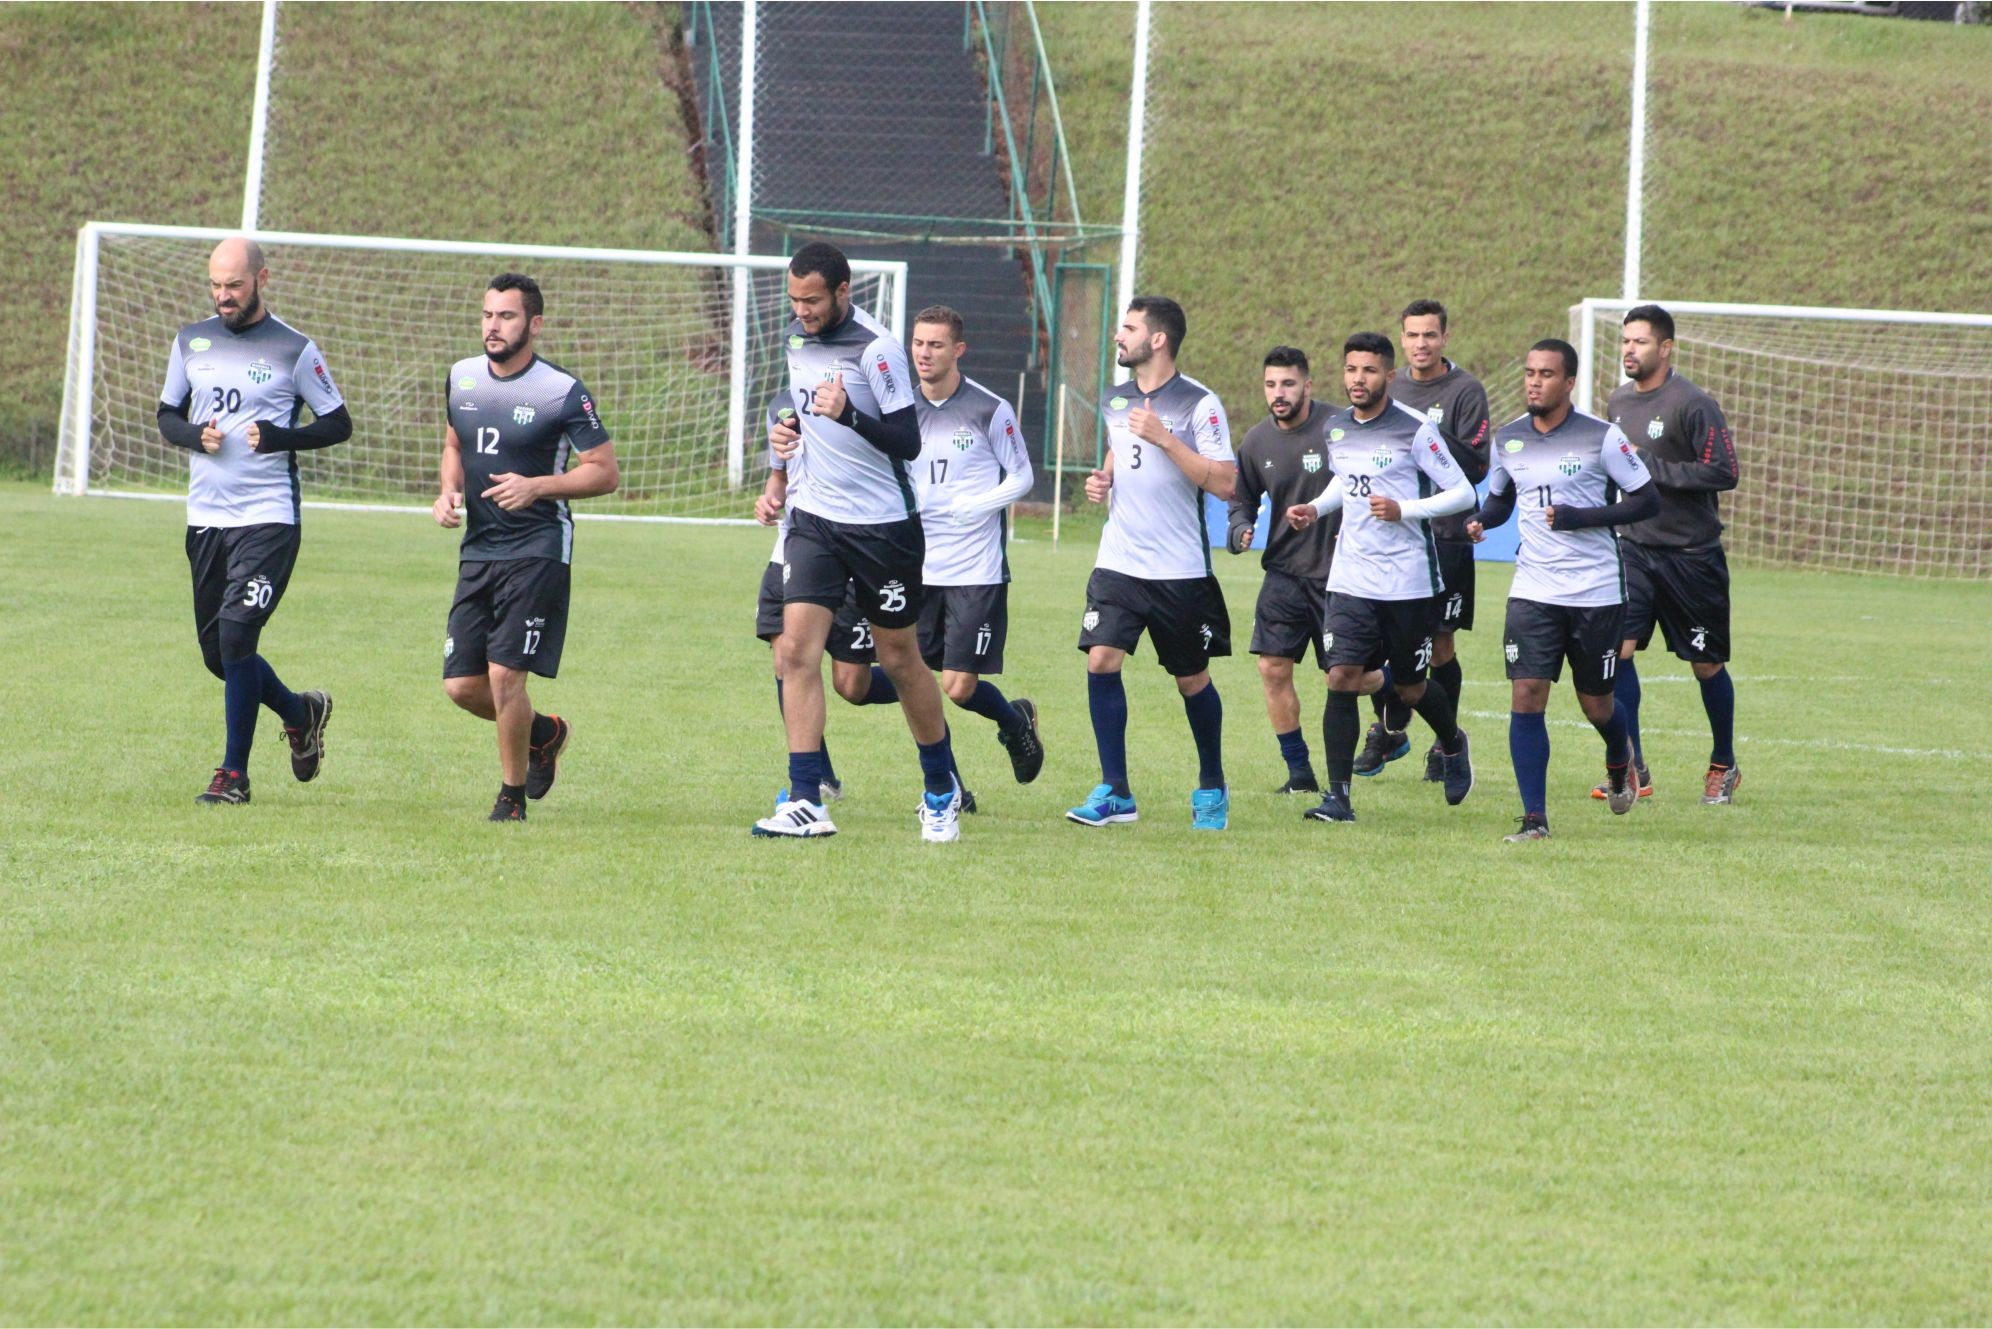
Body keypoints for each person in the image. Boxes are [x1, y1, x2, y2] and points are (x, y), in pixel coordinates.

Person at [754, 242, 962, 842]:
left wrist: (847, 414)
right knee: (796, 652)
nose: (802, 311)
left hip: (882, 528)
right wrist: (787, 437)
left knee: (898, 659)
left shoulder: (878, 349)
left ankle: (940, 788)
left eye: (812, 300)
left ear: (843, 291)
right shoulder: (796, 339)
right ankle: (805, 799)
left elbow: (907, 440)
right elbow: (802, 409)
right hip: (814, 520)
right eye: (794, 300)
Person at [155, 236, 351, 805]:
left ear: (262, 280)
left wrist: (282, 437)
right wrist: (195, 435)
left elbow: (338, 423)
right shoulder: (190, 341)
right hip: (206, 518)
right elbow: (167, 415)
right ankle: (300, 712)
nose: (224, 296)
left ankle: (233, 776)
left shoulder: (294, 349)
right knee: (220, 656)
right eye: (216, 286)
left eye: (234, 286)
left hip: (268, 517)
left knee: (239, 635)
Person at [434, 273, 620, 822]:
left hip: (538, 547)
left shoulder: (561, 391)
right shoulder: (462, 377)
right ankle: (544, 733)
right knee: (461, 686)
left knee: (504, 675)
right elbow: (454, 444)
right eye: (488, 315)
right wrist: (448, 490)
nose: (493, 326)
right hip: (479, 548)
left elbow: (604, 472)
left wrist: (537, 486)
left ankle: (510, 798)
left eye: (507, 316)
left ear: (534, 324)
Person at [1468, 339, 1659, 841]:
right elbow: (1501, 501)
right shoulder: (1508, 439)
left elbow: (1647, 500)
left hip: (1596, 591)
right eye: (1530, 372)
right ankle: (1535, 818)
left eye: (1547, 374)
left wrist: (1583, 517)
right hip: (1533, 588)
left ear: (1569, 382)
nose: (1535, 382)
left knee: (1597, 705)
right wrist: (1481, 520)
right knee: (1527, 693)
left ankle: (1619, 756)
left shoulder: (1603, 437)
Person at [1285, 332, 1477, 824]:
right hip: (1351, 578)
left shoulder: (1415, 430)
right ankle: (1338, 799)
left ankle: (1453, 743)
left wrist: (1404, 509)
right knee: (1341, 677)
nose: (1358, 379)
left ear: (1388, 376)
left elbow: (1462, 493)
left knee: (1411, 689)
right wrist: (1316, 507)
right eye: (1351, 369)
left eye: (1369, 371)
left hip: (1408, 581)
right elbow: (1346, 481)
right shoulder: (1336, 427)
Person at [1067, 297, 1237, 831]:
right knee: (1101, 660)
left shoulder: (1199, 403)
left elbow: (1225, 482)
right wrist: (1105, 477)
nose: (1119, 336)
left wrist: (1165, 438)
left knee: (1191, 679)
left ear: (1157, 339)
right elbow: (1121, 448)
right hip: (1118, 561)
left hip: (1178, 570)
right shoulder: (1115, 398)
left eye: (1129, 327)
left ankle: (1211, 784)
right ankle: (1115, 791)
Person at [1603, 303, 1744, 805]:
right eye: (1626, 341)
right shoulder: (1618, 402)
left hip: (1690, 555)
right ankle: (1633, 766)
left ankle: (1723, 763)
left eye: (1639, 342)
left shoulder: (1693, 403)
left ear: (1665, 348)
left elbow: (1724, 471)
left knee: (1705, 665)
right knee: (1617, 653)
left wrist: (1652, 467)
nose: (1629, 350)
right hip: (1634, 549)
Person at [908, 305, 1045, 790]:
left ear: (958, 350)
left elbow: (1022, 476)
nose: (924, 353)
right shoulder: (900, 409)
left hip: (975, 569)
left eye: (936, 344)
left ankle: (1014, 722)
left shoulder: (989, 408)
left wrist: (978, 504)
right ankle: (949, 788)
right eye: (918, 343)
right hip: (917, 567)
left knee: (959, 686)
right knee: (914, 681)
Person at [1357, 299, 1491, 781]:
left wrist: (1422, 429)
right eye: (1412, 335)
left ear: (1444, 338)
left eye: (1429, 335)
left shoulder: (1465, 391)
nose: (1420, 344)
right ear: (1402, 339)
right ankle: (1389, 730)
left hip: (1446, 537)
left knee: (1440, 646)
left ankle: (1444, 744)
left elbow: (1476, 466)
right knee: (1375, 643)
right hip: (1391, 538)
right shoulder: (1388, 385)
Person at [1226, 345, 1340, 794]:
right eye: (1271, 384)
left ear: (1307, 386)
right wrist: (1240, 528)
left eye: (1288, 383)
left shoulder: (1339, 428)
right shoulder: (1257, 441)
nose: (1279, 393)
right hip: (1284, 574)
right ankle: (1300, 774)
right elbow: (1241, 499)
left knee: (1348, 678)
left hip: (1339, 574)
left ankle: (1396, 686)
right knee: (1272, 668)